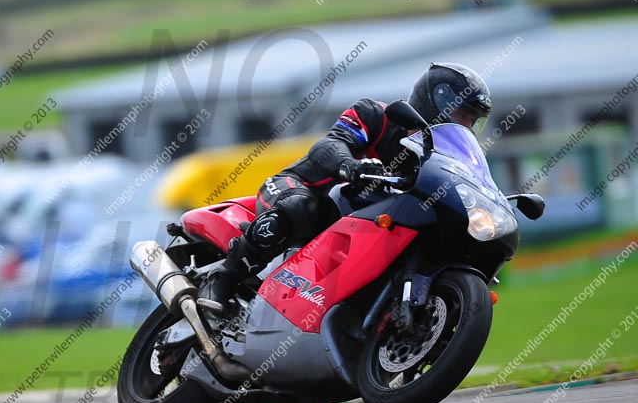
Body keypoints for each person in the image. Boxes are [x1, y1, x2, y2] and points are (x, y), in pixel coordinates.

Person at [197, 62, 492, 314]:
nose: (467, 125)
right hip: (300, 189)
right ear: (435, 103)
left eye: (472, 120)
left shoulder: (442, 158)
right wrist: (350, 165)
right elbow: (328, 144)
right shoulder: (376, 114)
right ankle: (223, 278)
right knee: (301, 206)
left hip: (360, 225)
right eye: (462, 115)